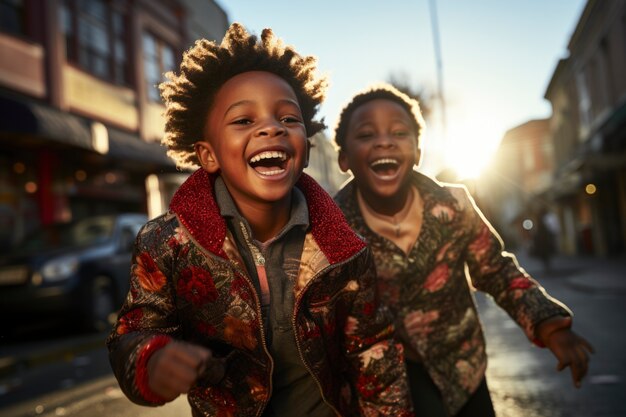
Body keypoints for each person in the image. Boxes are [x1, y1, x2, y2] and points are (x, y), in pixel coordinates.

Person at [106, 24, 413, 417]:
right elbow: (131, 334)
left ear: (303, 151)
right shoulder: (165, 243)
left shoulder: (346, 252)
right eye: (243, 121)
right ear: (208, 155)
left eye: (288, 118)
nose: (271, 127)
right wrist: (150, 360)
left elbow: (375, 355)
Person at [332, 83, 594, 417]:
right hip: (386, 384)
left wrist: (549, 324)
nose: (384, 140)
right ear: (343, 157)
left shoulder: (454, 204)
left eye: (399, 132)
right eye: (367, 135)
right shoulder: (332, 228)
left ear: (417, 151)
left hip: (463, 367)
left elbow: (496, 269)